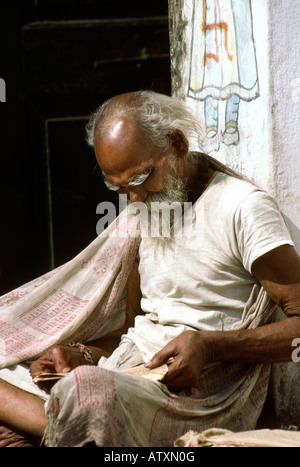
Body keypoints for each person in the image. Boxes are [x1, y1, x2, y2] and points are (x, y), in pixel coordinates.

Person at [0, 90, 300, 447]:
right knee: (15, 377)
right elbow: (134, 333)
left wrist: (210, 347)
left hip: (194, 400)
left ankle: (51, 423)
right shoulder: (145, 214)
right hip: (128, 377)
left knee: (85, 394)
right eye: (119, 187)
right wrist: (80, 354)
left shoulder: (243, 208)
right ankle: (54, 424)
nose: (134, 199)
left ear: (176, 144)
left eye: (141, 180)